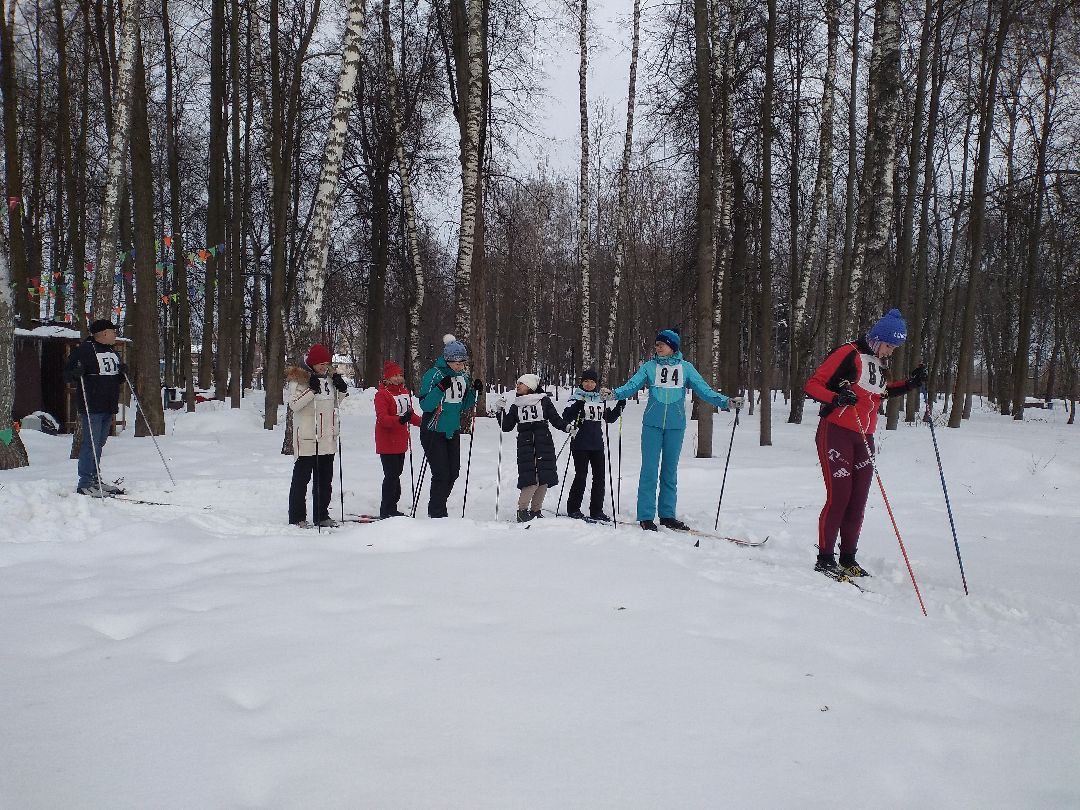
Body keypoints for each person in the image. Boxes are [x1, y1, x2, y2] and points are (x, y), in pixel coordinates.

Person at [804, 308, 927, 578]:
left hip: (865, 437)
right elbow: (813, 385)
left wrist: (910, 384)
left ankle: (848, 557)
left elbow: (880, 393)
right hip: (836, 431)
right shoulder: (848, 353)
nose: (890, 351)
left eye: (895, 347)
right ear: (876, 338)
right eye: (889, 345)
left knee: (858, 500)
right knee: (840, 497)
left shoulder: (878, 362)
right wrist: (836, 398)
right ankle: (825, 558)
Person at [603, 328, 743, 532]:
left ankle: (667, 514)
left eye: (661, 344)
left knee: (669, 472)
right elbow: (631, 386)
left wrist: (726, 402)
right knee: (649, 471)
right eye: (656, 344)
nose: (657, 347)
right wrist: (614, 394)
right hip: (652, 425)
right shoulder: (649, 367)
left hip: (676, 426)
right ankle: (646, 516)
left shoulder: (686, 368)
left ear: (672, 346)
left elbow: (704, 390)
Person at [418, 334, 482, 518]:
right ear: (447, 360)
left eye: (462, 362)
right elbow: (425, 405)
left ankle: (440, 507)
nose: (460, 366)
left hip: (452, 430)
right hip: (433, 430)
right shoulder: (434, 374)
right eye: (456, 362)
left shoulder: (462, 376)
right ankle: (436, 513)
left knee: (453, 473)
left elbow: (464, 403)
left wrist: (475, 391)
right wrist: (439, 389)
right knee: (441, 474)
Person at [287, 344, 349, 528]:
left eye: (326, 363)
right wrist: (311, 391)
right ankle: (297, 517)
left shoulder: (329, 379)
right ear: (312, 364)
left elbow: (336, 403)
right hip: (307, 437)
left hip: (326, 438)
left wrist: (341, 388)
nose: (323, 366)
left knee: (324, 481)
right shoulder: (299, 380)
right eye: (320, 363)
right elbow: (294, 405)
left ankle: (321, 515)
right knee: (301, 480)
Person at [63, 319, 126, 496]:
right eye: (113, 331)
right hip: (92, 405)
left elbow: (112, 375)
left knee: (99, 444)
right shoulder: (85, 350)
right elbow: (67, 374)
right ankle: (85, 483)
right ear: (104, 333)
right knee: (90, 444)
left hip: (108, 405)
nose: (115, 334)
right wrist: (75, 373)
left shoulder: (112, 351)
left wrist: (121, 373)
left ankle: (95, 479)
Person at [498, 374, 570, 522]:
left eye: (521, 384)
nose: (518, 386)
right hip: (526, 445)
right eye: (517, 383)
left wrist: (567, 427)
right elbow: (506, 427)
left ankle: (536, 510)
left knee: (544, 477)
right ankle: (522, 510)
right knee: (530, 479)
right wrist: (500, 412)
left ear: (530, 386)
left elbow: (555, 419)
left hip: (544, 443)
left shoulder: (543, 401)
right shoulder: (516, 405)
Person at [562, 368, 625, 522]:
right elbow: (566, 416)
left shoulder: (600, 398)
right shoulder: (575, 397)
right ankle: (573, 508)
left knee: (599, 478)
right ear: (581, 382)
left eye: (592, 381)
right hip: (580, 444)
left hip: (597, 444)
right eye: (586, 381)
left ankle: (596, 511)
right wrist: (578, 405)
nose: (589, 384)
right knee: (581, 476)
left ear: (596, 383)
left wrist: (619, 407)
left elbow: (609, 418)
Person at [373, 360, 421, 518]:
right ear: (387, 378)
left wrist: (424, 423)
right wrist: (400, 420)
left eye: (400, 375)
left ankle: (392, 506)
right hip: (387, 440)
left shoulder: (404, 393)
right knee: (391, 475)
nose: (398, 378)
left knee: (396, 474)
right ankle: (386, 509)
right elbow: (383, 419)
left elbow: (410, 415)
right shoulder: (382, 395)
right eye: (394, 375)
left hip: (400, 440)